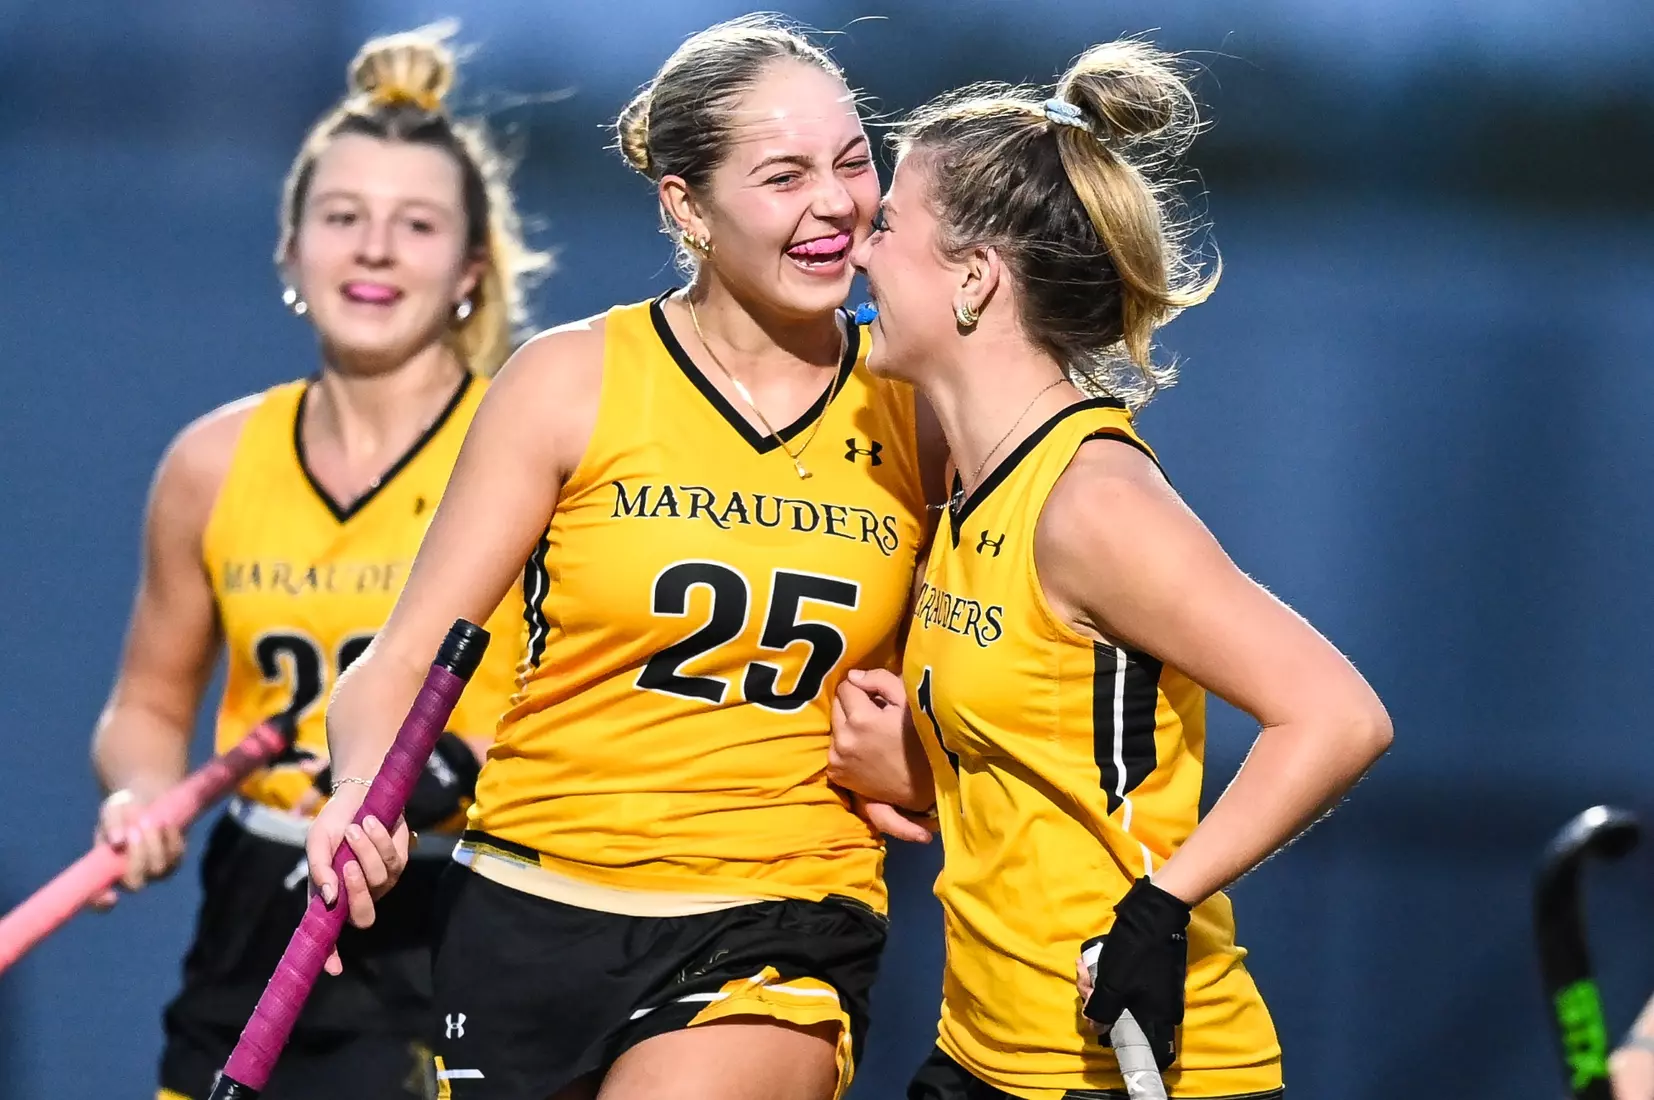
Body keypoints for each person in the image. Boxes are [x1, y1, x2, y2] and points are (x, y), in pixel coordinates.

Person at [305, 15, 939, 1100]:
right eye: (782, 175)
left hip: (777, 921)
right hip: (525, 910)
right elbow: (401, 659)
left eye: (850, 163)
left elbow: (997, 687)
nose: (834, 203)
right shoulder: (569, 380)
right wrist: (360, 791)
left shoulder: (923, 407)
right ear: (684, 204)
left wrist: (928, 766)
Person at [830, 39, 1394, 1100]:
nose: (859, 248)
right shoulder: (963, 478)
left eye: (889, 223)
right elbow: (1061, 754)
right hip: (977, 1053)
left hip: (1131, 1069)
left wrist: (1161, 906)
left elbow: (1336, 714)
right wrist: (921, 765)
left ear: (973, 277)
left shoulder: (1089, 500)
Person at [90, 25, 545, 1100]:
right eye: (343, 218)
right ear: (291, 249)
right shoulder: (210, 461)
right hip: (258, 913)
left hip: (453, 909)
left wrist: (444, 775)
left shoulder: (532, 449)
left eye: (416, 224)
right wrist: (140, 796)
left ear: (471, 269)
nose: (375, 250)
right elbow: (147, 705)